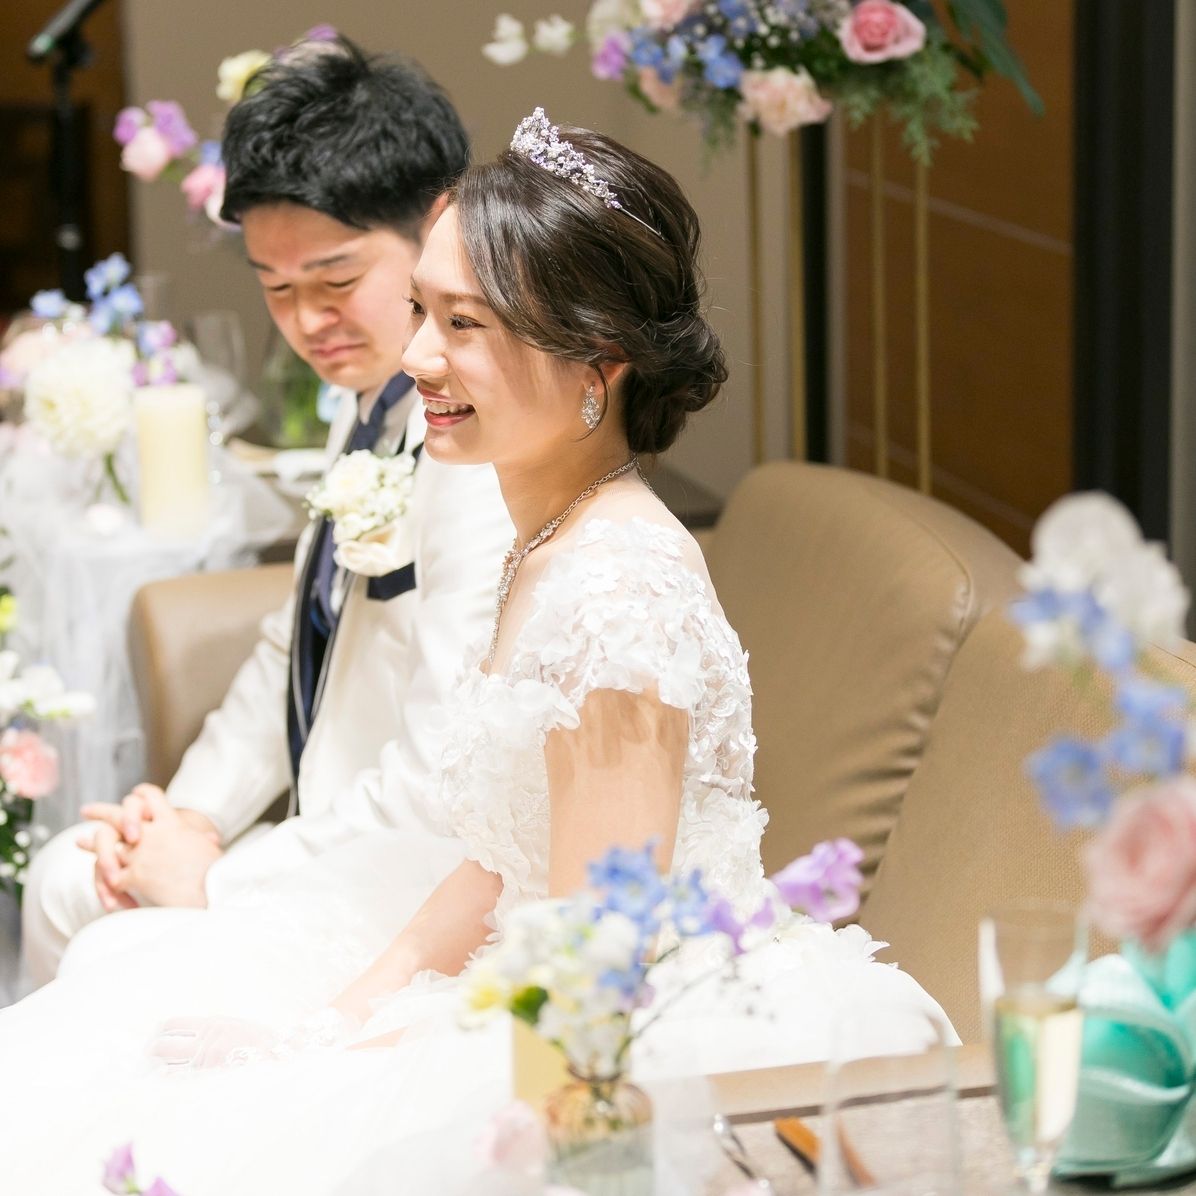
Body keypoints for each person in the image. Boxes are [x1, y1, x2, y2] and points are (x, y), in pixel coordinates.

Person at [0, 112, 950, 1193]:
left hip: (601, 1031)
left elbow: (599, 958)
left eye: (463, 324)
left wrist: (364, 1063)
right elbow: (504, 851)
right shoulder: (550, 534)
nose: (415, 357)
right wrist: (338, 1019)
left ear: (597, 362)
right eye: (420, 311)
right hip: (513, 972)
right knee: (134, 1030)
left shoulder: (619, 592)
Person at [21, 37, 512, 984]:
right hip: (329, 839)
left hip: (408, 888)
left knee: (69, 899)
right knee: (76, 873)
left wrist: (218, 879)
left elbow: (445, 773)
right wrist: (187, 816)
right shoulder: (367, 401)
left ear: (440, 225)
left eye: (337, 281)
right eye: (276, 288)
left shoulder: (476, 447)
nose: (307, 323)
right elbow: (294, 644)